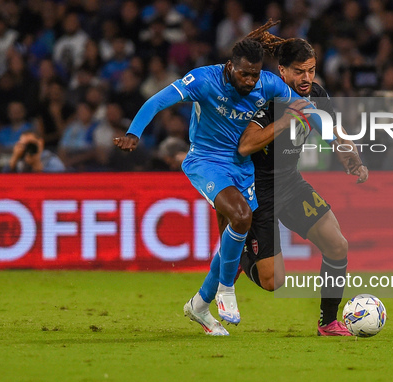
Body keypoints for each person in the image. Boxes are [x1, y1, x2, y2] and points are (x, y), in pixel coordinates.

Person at [113, 37, 319, 336]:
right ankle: (225, 290)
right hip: (206, 160)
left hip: (241, 166)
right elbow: (158, 100)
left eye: (255, 74)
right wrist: (134, 132)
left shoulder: (268, 83)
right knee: (241, 216)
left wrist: (338, 141)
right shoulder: (203, 79)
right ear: (229, 67)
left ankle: (199, 305)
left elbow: (305, 108)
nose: (250, 81)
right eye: (244, 74)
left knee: (230, 238)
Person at [238, 23, 369, 336]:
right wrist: (285, 120)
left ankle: (328, 322)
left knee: (338, 245)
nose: (307, 78)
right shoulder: (266, 99)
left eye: (311, 70)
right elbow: (245, 145)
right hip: (258, 188)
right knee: (274, 281)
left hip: (290, 182)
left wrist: (353, 160)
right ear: (282, 71)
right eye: (299, 71)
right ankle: (236, 249)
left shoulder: (317, 94)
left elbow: (332, 133)